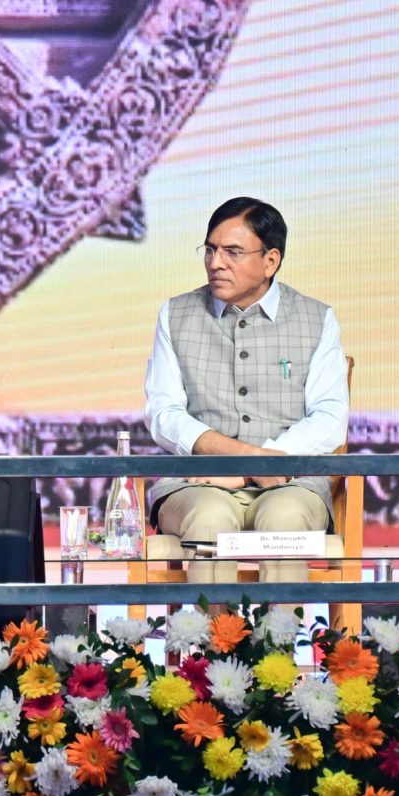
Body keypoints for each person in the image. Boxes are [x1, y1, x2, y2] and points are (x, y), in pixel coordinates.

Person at [142, 197, 349, 587]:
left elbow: (329, 418)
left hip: (292, 483)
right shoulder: (175, 314)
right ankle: (213, 630)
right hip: (197, 484)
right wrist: (246, 458)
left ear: (270, 261)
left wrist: (252, 471)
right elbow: (164, 414)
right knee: (209, 517)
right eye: (210, 250)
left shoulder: (317, 318)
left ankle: (280, 629)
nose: (215, 263)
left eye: (233, 252)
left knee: (285, 517)